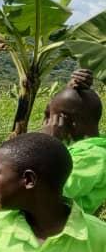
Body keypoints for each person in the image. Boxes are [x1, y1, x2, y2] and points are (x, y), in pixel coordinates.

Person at [42, 68, 105, 214]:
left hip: (65, 231)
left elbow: (44, 191)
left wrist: (48, 143)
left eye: (51, 118)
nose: (47, 124)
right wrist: (69, 90)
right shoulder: (77, 145)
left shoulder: (92, 157)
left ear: (70, 122)